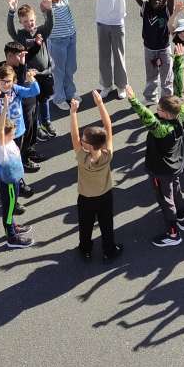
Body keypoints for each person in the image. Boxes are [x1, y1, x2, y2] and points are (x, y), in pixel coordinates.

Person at [124, 46, 184, 247]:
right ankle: (182, 218)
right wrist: (178, 61)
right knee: (176, 191)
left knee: (166, 200)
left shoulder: (163, 129)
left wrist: (134, 101)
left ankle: (173, 234)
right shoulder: (182, 116)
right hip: (175, 167)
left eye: (160, 109)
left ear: (168, 114)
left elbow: (149, 120)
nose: (157, 110)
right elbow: (179, 90)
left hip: (161, 171)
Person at [68, 91, 122, 261]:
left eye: (84, 140)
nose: (81, 140)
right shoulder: (108, 154)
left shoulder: (82, 158)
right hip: (105, 196)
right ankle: (109, 250)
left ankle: (85, 249)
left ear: (89, 146)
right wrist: (100, 104)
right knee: (107, 224)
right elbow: (108, 126)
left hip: (86, 198)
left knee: (85, 225)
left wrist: (73, 113)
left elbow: (74, 135)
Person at [0, 92, 34, 248]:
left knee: (9, 207)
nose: (14, 135)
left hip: (8, 180)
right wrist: (6, 107)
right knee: (9, 210)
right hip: (9, 184)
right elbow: (0, 128)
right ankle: (12, 238)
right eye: (12, 134)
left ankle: (13, 227)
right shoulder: (1, 148)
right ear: (4, 135)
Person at [6, 0, 55, 137]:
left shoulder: (41, 31)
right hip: (31, 77)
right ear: (21, 22)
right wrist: (11, 12)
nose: (30, 23)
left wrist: (49, 10)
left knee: (44, 99)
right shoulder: (20, 35)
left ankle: (46, 122)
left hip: (45, 73)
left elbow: (50, 24)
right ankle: (37, 127)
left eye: (31, 20)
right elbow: (11, 30)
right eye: (25, 21)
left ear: (35, 19)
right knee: (34, 103)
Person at [87, 0, 128, 96]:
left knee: (119, 56)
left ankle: (121, 86)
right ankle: (106, 85)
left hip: (117, 24)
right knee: (103, 56)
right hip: (102, 24)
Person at [132, 0, 176, 103]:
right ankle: (151, 97)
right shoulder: (146, 7)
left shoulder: (166, 10)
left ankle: (166, 101)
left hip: (164, 48)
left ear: (163, 0)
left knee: (166, 77)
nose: (157, 1)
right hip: (149, 49)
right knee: (151, 75)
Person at [42, 0, 79, 109]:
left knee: (70, 68)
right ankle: (58, 98)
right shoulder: (47, 6)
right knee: (59, 71)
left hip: (71, 37)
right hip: (57, 41)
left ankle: (70, 93)